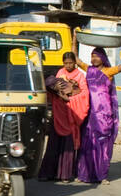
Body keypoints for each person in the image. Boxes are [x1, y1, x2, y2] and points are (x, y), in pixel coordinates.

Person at [76, 42, 121, 184]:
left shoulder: (108, 71)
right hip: (90, 112)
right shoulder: (89, 69)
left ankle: (102, 175)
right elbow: (76, 59)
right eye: (92, 56)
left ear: (102, 58)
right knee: (87, 143)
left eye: (96, 56)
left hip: (104, 114)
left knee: (103, 145)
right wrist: (75, 38)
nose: (93, 59)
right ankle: (85, 174)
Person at [38, 52, 89, 181]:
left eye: (70, 63)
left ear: (75, 62)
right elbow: (53, 88)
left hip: (71, 114)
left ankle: (65, 175)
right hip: (58, 112)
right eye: (66, 63)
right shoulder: (60, 72)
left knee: (68, 145)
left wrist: (69, 98)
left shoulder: (80, 75)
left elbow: (84, 95)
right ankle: (48, 173)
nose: (68, 65)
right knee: (53, 143)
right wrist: (55, 89)